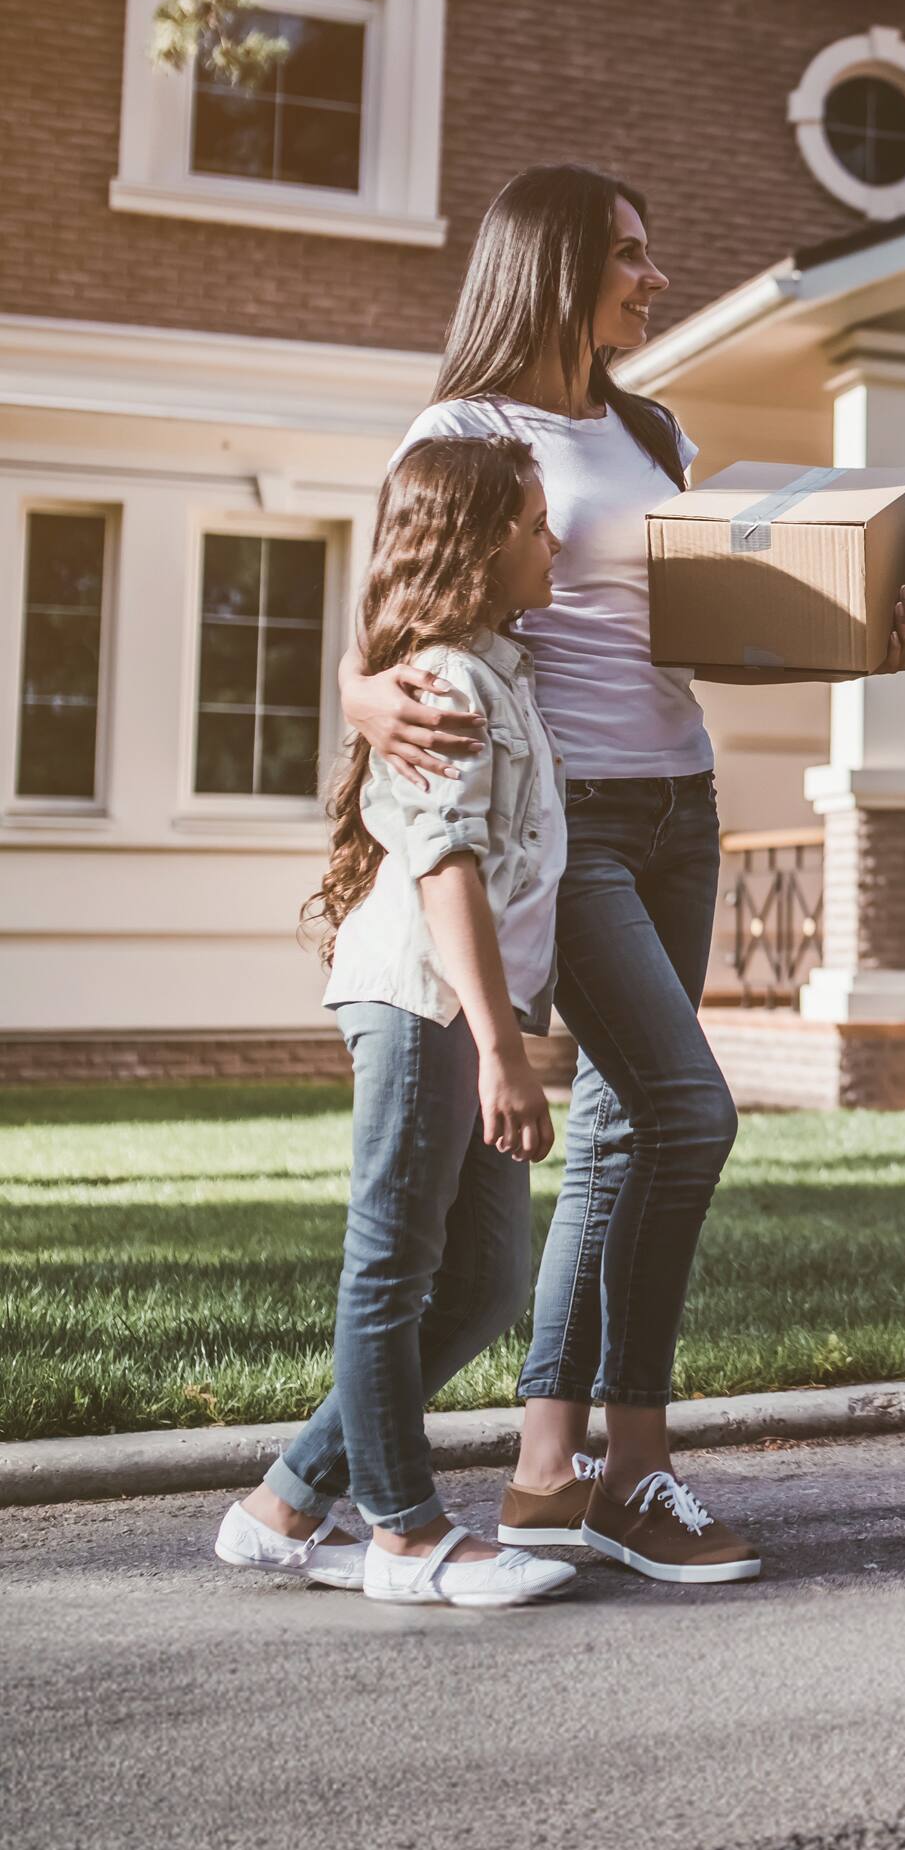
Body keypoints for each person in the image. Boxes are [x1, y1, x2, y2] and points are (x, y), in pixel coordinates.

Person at [342, 165, 905, 1586]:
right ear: (554, 265)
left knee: (618, 1133)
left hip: (682, 802)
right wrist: (361, 706)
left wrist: (857, 636)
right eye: (631, 256)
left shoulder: (649, 426)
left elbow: (678, 628)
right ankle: (635, 1467)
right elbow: (397, 616)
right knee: (688, 1113)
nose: (655, 280)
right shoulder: (465, 428)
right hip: (572, 822)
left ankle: (549, 1470)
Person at [216, 437, 579, 1608]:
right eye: (535, 523)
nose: (554, 541)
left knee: (480, 1285)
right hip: (424, 1000)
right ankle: (406, 1533)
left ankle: (282, 1506)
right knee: (393, 1268)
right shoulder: (444, 686)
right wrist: (501, 1046)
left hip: (463, 1007)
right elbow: (445, 873)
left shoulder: (499, 669)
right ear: (480, 545)